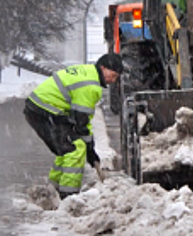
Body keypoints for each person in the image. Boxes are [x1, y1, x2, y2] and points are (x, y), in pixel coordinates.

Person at [23, 53, 123, 199]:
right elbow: (81, 121)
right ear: (103, 68)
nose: (113, 81)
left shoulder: (89, 73)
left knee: (66, 148)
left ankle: (52, 190)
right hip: (45, 112)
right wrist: (89, 148)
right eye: (112, 75)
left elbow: (82, 120)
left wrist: (90, 145)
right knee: (76, 148)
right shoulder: (91, 86)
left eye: (116, 77)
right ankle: (68, 197)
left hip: (42, 109)